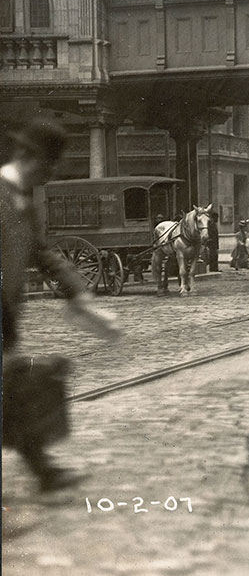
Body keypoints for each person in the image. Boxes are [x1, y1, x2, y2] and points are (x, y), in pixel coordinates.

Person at [1, 119, 121, 493]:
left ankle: (43, 471)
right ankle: (43, 471)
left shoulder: (22, 200)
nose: (51, 174)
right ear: (28, 156)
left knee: (17, 394)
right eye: (48, 165)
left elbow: (43, 253)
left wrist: (79, 294)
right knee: (17, 392)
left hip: (5, 318)